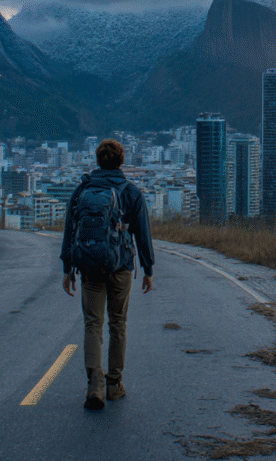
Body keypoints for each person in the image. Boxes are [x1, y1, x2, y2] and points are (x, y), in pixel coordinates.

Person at [60, 139, 155, 410]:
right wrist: (148, 270)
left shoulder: (82, 190)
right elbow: (143, 234)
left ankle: (94, 385)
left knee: (92, 324)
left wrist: (67, 269)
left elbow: (70, 231)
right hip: (121, 265)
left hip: (89, 266)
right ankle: (114, 384)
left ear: (98, 160)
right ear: (121, 161)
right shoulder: (131, 192)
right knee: (118, 324)